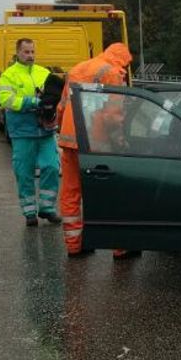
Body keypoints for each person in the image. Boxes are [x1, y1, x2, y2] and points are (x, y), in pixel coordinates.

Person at [56, 42, 134, 258]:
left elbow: (62, 105)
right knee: (112, 193)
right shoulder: (113, 73)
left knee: (71, 192)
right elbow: (112, 115)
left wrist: (61, 128)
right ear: (124, 60)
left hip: (71, 139)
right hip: (96, 142)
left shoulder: (78, 68)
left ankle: (74, 245)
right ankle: (120, 247)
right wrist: (120, 142)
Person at [0, 38, 61, 226]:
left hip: (45, 131)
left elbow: (55, 93)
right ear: (18, 53)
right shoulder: (9, 75)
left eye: (32, 52)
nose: (30, 55)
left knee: (52, 168)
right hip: (23, 132)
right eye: (26, 52)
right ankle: (29, 212)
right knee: (24, 173)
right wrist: (32, 102)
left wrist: (51, 103)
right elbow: (6, 100)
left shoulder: (44, 72)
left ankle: (47, 209)